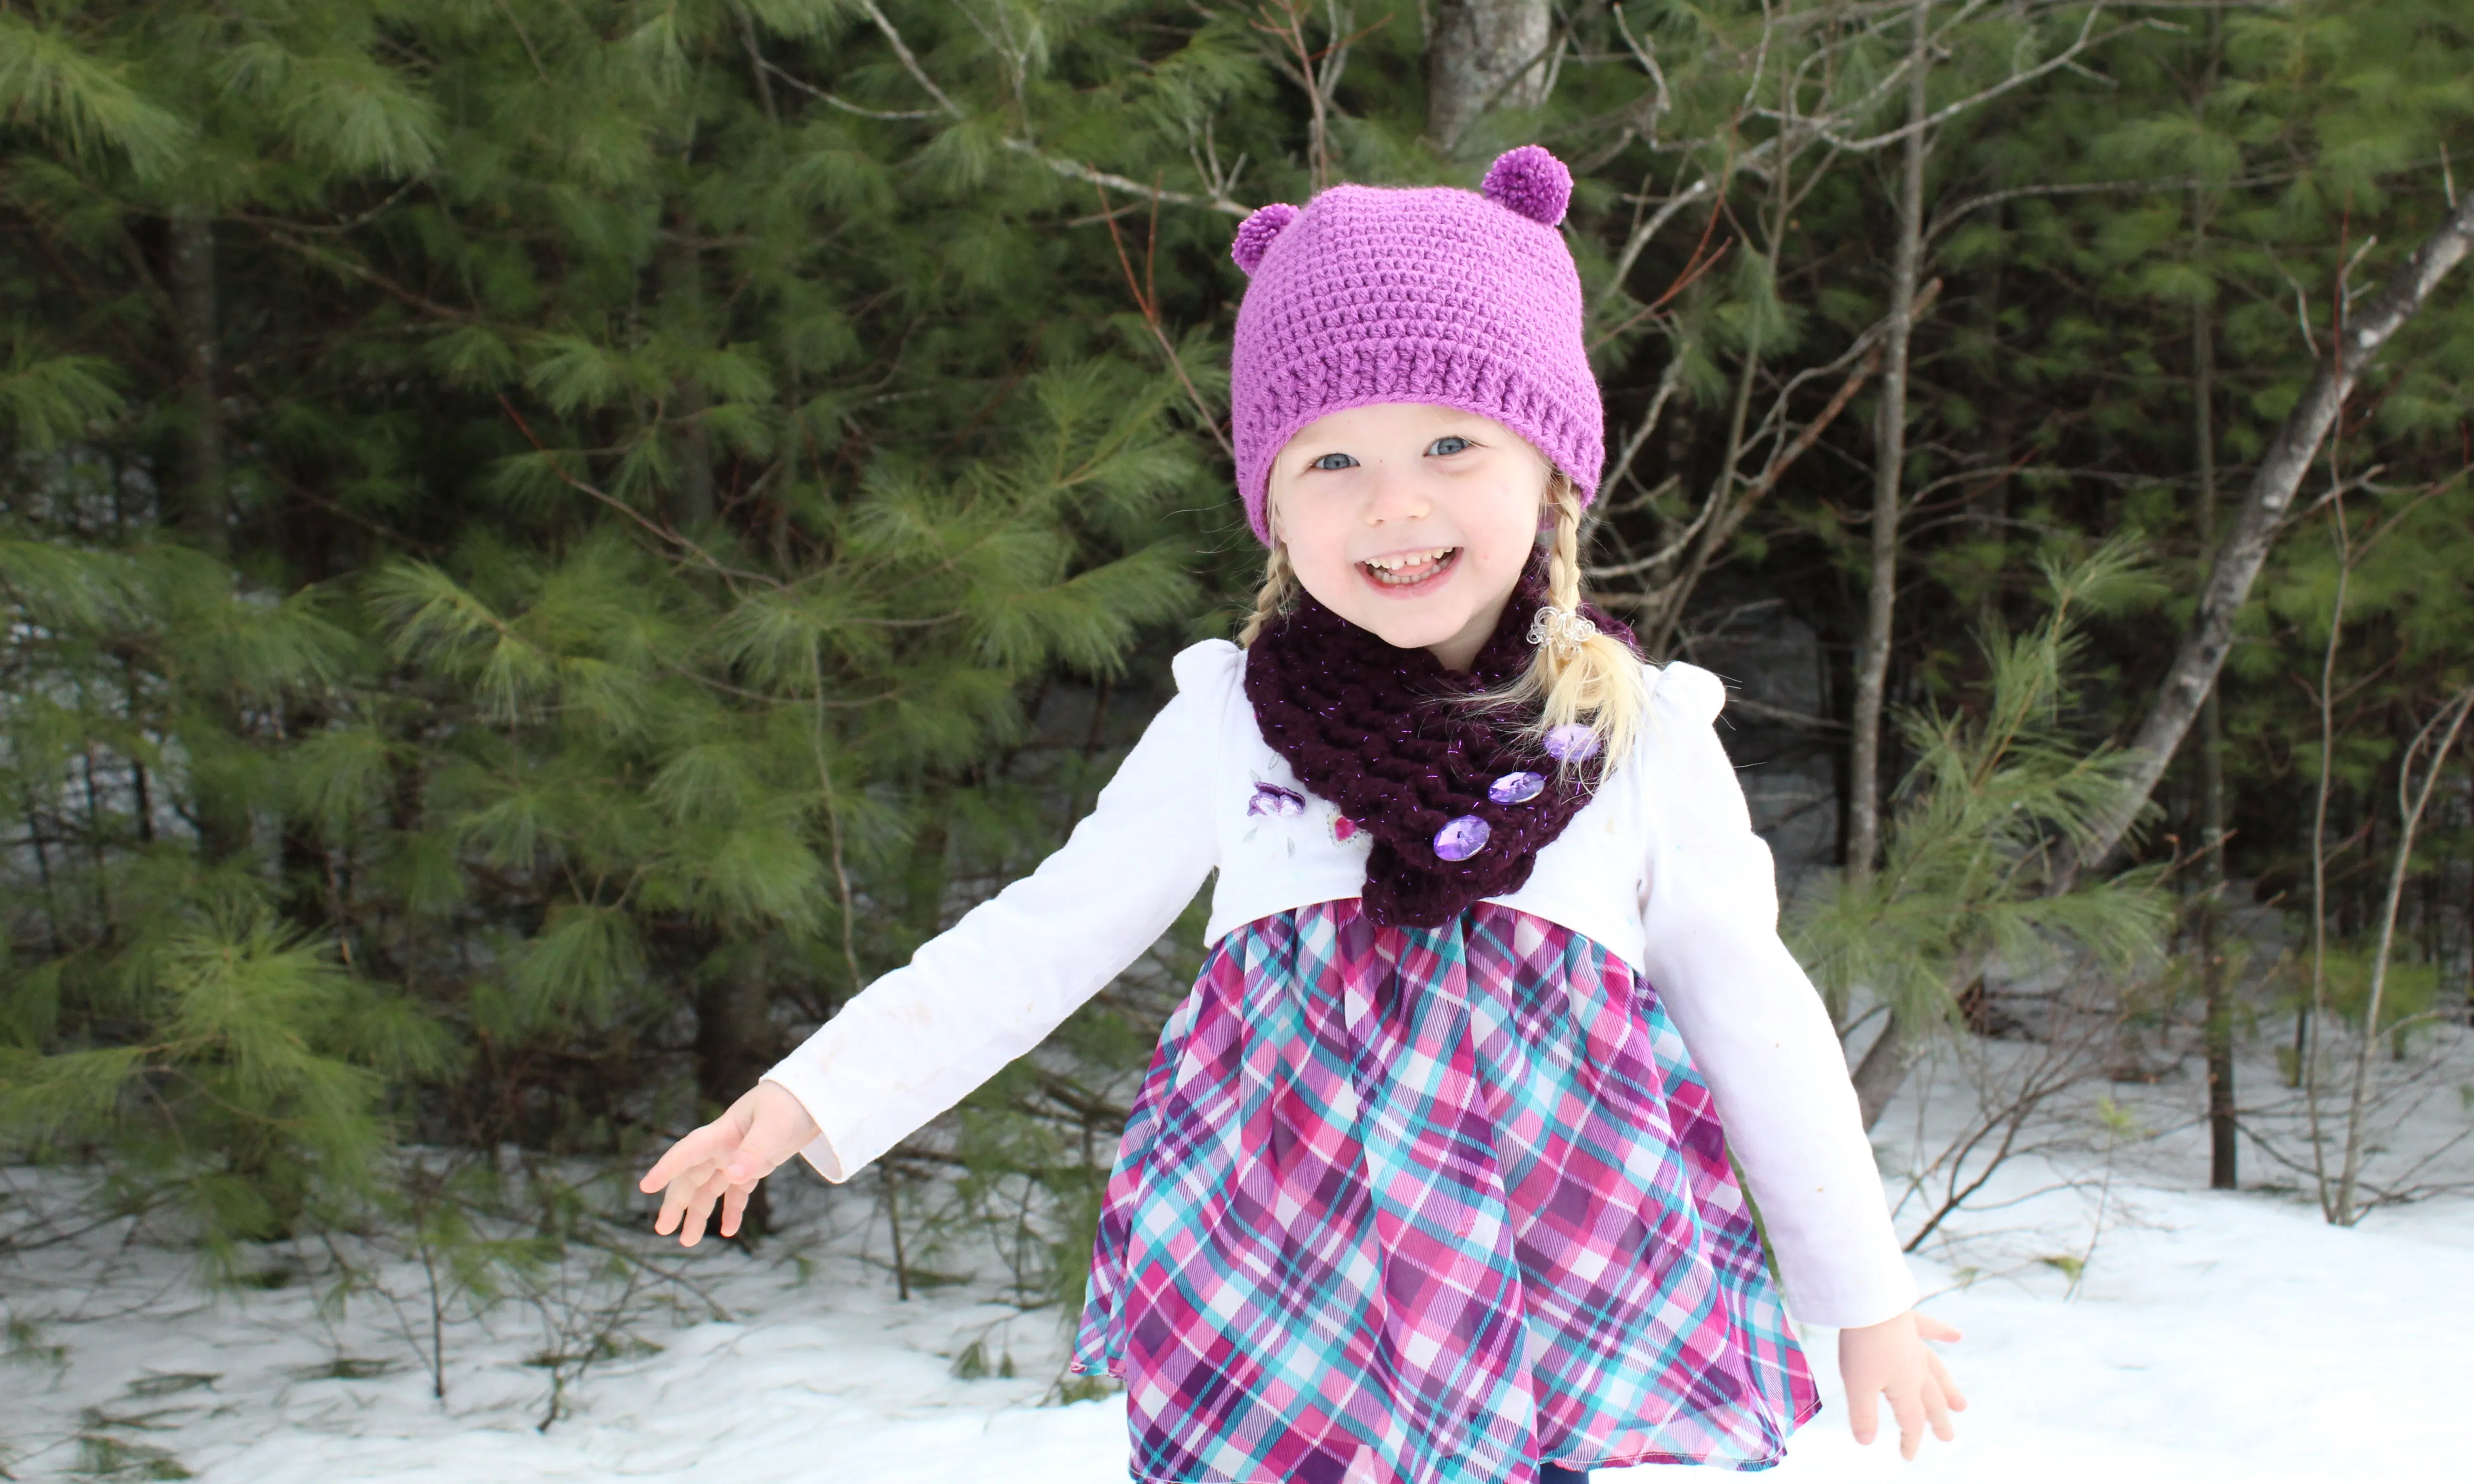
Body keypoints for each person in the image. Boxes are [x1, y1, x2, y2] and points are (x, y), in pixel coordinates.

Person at [639, 147, 1965, 1483]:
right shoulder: (1233, 722)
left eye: (1453, 443)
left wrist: (1865, 1297)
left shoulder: (1635, 740)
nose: (1396, 503)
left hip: (1566, 1263)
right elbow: (1045, 934)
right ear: (1274, 509)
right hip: (1294, 1276)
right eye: (1331, 460)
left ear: (1554, 474)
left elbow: (1760, 1019)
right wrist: (816, 1094)